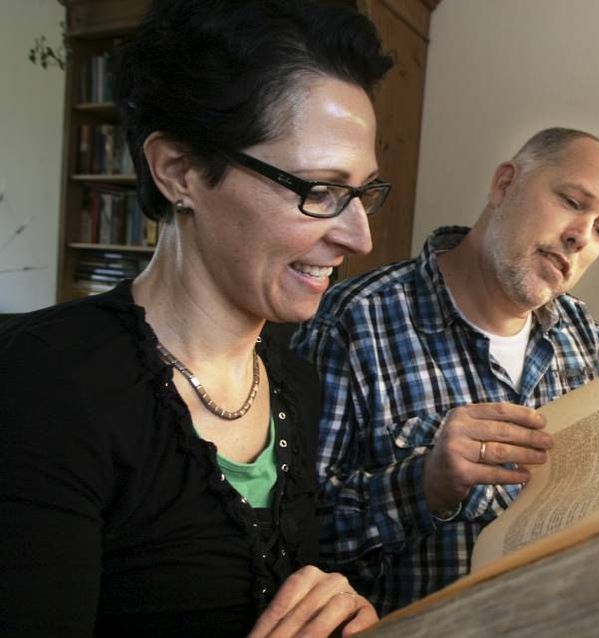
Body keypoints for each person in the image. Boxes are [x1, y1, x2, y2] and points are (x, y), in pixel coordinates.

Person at [0, 1, 393, 635]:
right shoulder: (46, 383)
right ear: (179, 171)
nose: (360, 236)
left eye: (364, 192)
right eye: (320, 190)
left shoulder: (296, 384)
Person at [293, 127, 599, 613]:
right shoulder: (353, 322)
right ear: (504, 184)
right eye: (572, 201)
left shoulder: (587, 338)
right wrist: (424, 485)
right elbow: (297, 537)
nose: (581, 237)